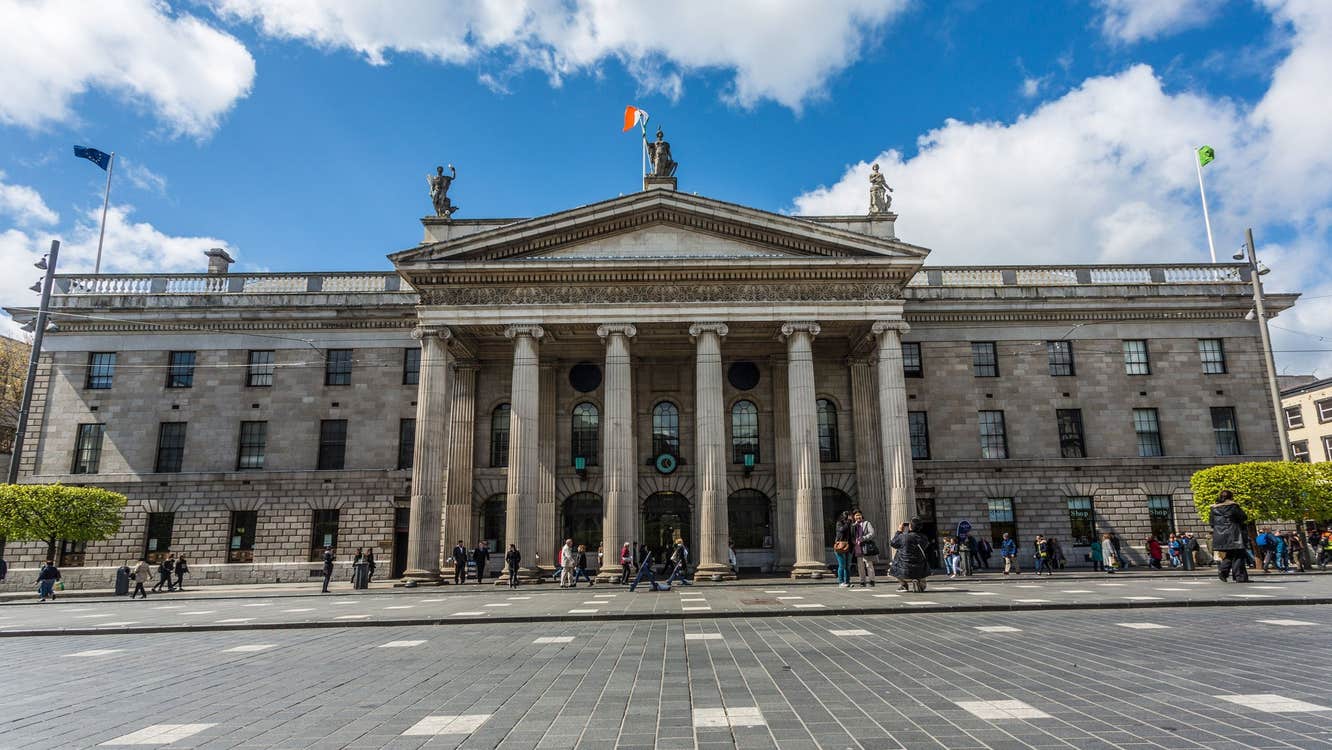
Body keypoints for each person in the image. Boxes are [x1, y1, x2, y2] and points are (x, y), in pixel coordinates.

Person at [1209, 490, 1249, 582]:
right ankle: (1238, 576)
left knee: (1231, 554)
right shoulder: (1233, 506)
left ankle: (1224, 571)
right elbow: (1243, 517)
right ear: (1231, 497)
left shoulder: (1214, 508)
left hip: (1220, 535)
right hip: (1234, 534)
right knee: (1239, 555)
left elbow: (1211, 523)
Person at [889, 519, 931, 592]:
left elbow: (893, 543)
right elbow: (926, 546)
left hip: (904, 567)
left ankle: (903, 585)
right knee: (921, 561)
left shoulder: (903, 536)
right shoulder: (924, 537)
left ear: (910, 527)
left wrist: (899, 531)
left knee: (895, 561)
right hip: (920, 567)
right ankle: (920, 583)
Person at [852, 509, 877, 587]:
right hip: (858, 547)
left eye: (859, 515)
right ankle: (862, 581)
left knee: (868, 564)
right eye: (856, 515)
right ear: (854, 517)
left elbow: (872, 533)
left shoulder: (866, 523)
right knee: (860, 565)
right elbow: (852, 535)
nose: (858, 517)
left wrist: (863, 538)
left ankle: (871, 580)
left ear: (862, 516)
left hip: (866, 546)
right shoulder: (853, 526)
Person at [833, 510, 855, 588]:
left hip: (850, 547)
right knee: (842, 565)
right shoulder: (839, 523)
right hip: (841, 546)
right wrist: (848, 522)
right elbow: (841, 530)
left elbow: (853, 535)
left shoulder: (851, 524)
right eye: (847, 516)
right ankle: (841, 582)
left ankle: (847, 581)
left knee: (847, 566)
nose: (849, 517)